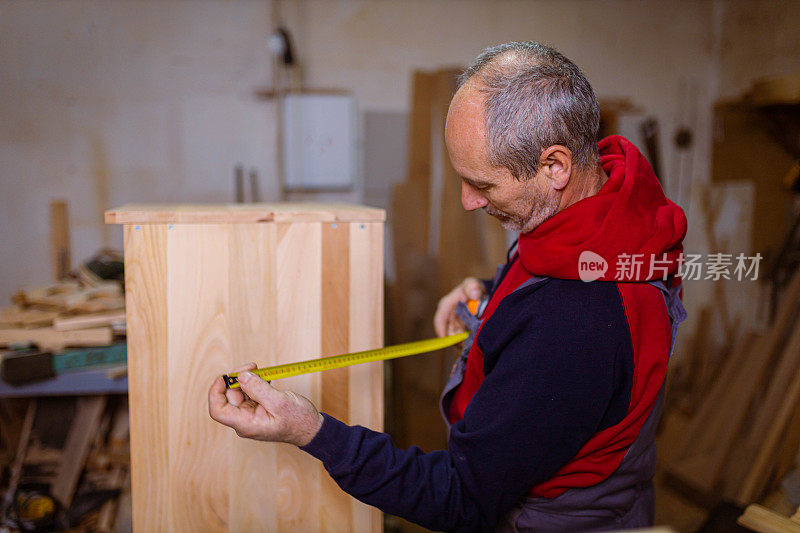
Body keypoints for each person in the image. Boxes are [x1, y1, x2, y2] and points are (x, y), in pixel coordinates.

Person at [208, 41, 688, 532]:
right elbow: (555, 288)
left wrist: (312, 432)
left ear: (554, 167)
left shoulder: (574, 326)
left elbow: (459, 498)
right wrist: (491, 294)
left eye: (483, 184)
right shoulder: (610, 215)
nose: (467, 201)